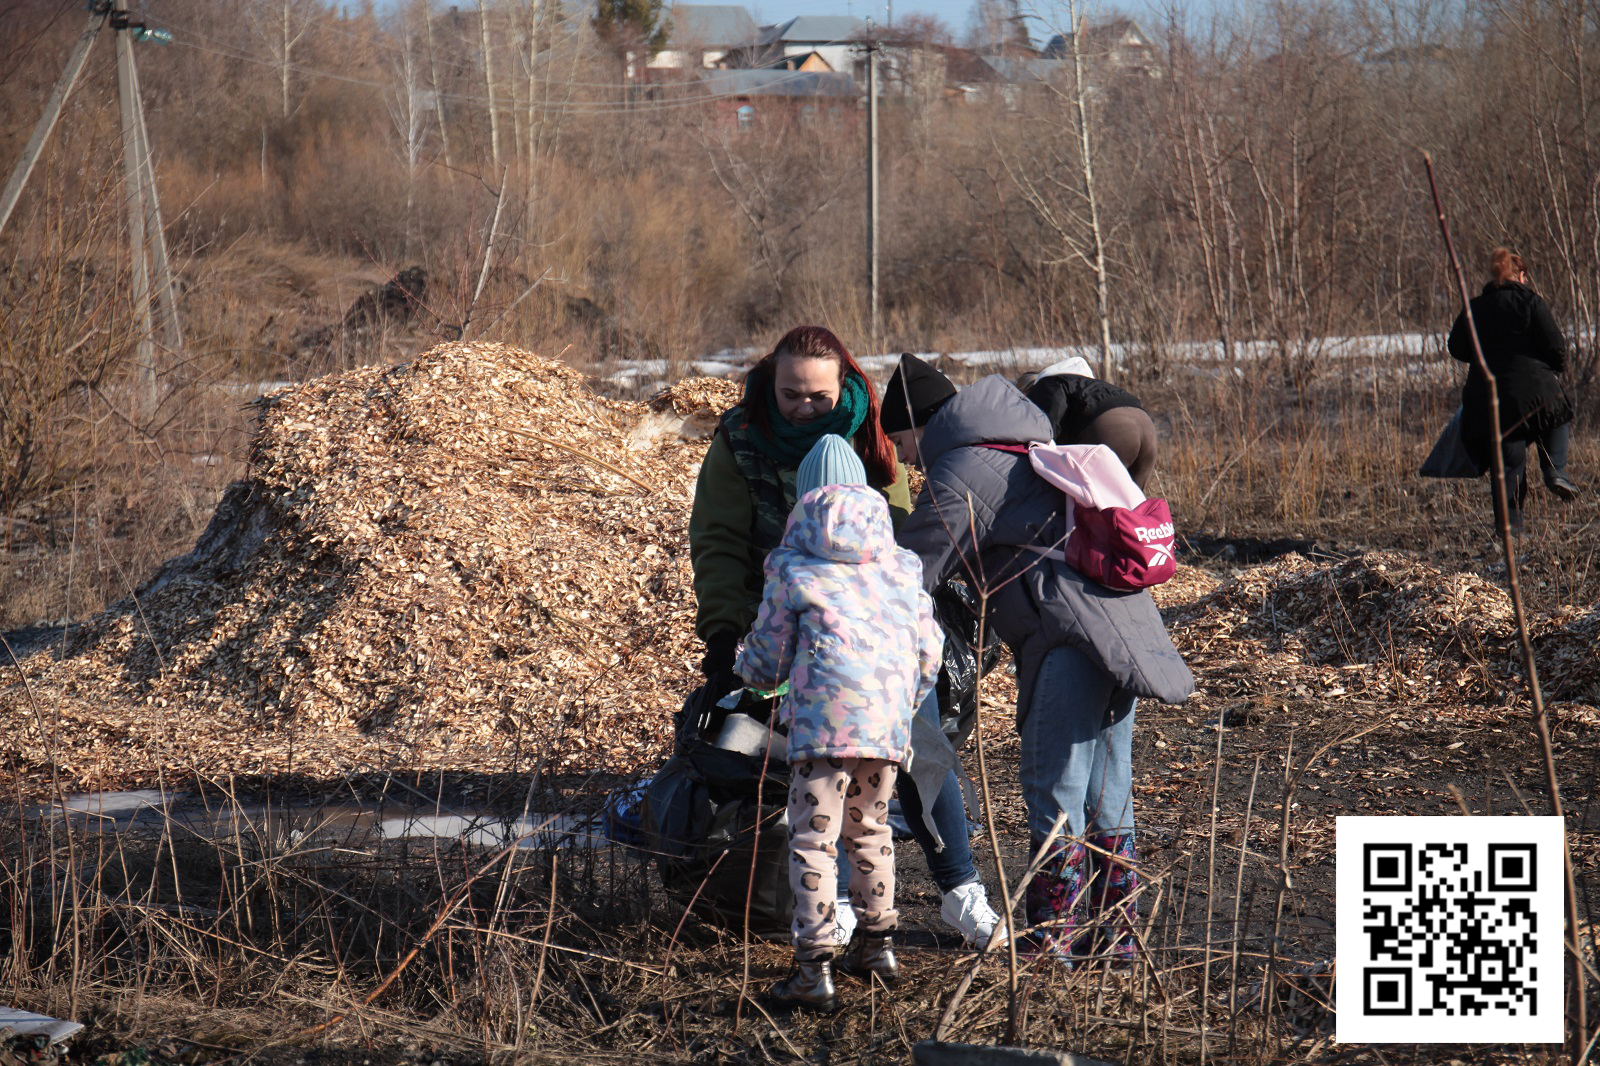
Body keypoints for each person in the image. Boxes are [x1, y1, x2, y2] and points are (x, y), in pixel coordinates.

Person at [689, 326, 1007, 951]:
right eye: (790, 395)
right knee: (805, 773)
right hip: (779, 617)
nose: (804, 407)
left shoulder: (871, 437)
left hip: (862, 629)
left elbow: (896, 537)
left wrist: (906, 648)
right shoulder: (740, 440)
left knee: (920, 753)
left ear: (846, 388)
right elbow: (719, 542)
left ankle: (958, 888)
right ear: (769, 385)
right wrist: (727, 635)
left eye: (818, 396)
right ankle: (832, 908)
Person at [880, 353, 1195, 964]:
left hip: (1070, 636)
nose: (907, 459)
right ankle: (1117, 939)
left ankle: (1051, 940)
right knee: (1110, 790)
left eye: (902, 441)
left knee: (1054, 783)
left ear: (921, 424)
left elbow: (910, 569)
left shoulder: (966, 467)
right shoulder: (1021, 447)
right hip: (1121, 623)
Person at [736, 435, 943, 1010]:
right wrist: (901, 704)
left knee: (813, 841)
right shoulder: (900, 567)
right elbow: (931, 653)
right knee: (871, 828)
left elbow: (769, 658)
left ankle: (812, 970)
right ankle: (877, 949)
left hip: (822, 730)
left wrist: (747, 673)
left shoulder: (793, 566)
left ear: (804, 499)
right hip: (885, 729)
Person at [1447, 247, 1579, 533]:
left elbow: (1455, 347)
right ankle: (1555, 470)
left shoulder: (1475, 307)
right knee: (1558, 412)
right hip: (1535, 391)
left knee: (1507, 462)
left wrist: (1483, 357)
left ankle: (1511, 528)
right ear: (1521, 276)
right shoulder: (1531, 303)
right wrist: (1555, 366)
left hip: (1488, 398)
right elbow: (1557, 347)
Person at [1022, 356, 1158, 489]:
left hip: (1110, 429)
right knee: (1134, 504)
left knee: (1096, 500)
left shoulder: (1048, 383)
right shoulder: (1093, 385)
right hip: (1147, 428)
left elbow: (1047, 429)